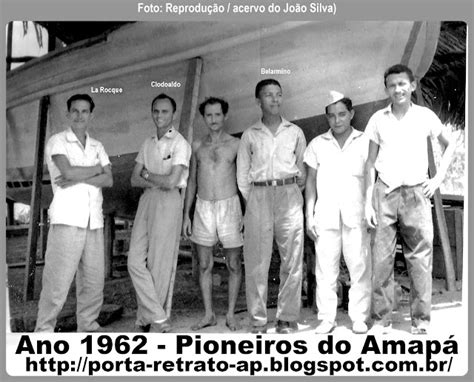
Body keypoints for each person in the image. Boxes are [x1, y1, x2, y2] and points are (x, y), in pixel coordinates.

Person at [365, 64, 455, 335]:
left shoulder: (425, 117)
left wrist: (437, 179)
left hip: (417, 193)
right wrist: (369, 200)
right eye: (392, 85)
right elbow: (370, 162)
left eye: (403, 84)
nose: (398, 89)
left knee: (420, 259)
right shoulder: (378, 119)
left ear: (413, 86)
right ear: (387, 89)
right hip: (385, 192)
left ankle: (421, 321)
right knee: (381, 259)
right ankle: (381, 320)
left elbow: (449, 145)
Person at [35, 94, 113, 332]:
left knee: (93, 281)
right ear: (68, 114)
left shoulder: (97, 145)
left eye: (85, 111)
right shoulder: (58, 141)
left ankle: (88, 326)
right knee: (57, 281)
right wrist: (96, 170)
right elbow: (67, 173)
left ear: (91, 114)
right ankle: (44, 331)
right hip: (67, 218)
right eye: (75, 111)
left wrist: (83, 174)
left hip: (93, 220)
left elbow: (108, 180)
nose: (80, 115)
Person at [237, 79, 306, 334]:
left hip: (288, 195)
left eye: (278, 95)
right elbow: (242, 176)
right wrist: (256, 198)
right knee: (256, 261)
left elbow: (302, 170)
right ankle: (257, 320)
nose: (275, 99)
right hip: (258, 196)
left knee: (292, 258)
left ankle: (287, 318)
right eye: (268, 95)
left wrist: (288, 190)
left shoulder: (295, 132)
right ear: (258, 101)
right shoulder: (249, 135)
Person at [304, 92, 371, 335]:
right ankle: (326, 318)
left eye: (342, 114)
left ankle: (359, 317)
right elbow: (310, 182)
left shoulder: (364, 142)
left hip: (356, 214)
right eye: (331, 115)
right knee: (325, 269)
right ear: (327, 118)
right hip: (326, 215)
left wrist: (369, 208)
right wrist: (309, 215)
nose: (337, 120)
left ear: (351, 114)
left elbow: (371, 179)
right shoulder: (317, 144)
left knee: (359, 267)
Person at [127, 93, 191, 333]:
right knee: (134, 260)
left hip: (168, 202)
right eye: (156, 111)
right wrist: (154, 179)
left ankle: (146, 320)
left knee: (159, 264)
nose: (159, 116)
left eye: (164, 111)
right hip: (147, 201)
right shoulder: (147, 143)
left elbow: (172, 182)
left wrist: (147, 175)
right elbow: (134, 179)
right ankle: (158, 317)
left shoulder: (179, 144)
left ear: (173, 114)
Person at [182, 97, 243, 331]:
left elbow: (243, 180)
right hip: (203, 206)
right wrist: (186, 214)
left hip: (230, 206)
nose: (213, 120)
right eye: (209, 115)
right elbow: (192, 182)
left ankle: (230, 314)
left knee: (234, 264)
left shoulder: (236, 144)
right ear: (203, 117)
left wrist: (246, 213)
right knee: (204, 264)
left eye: (218, 115)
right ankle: (208, 314)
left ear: (225, 116)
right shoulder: (197, 146)